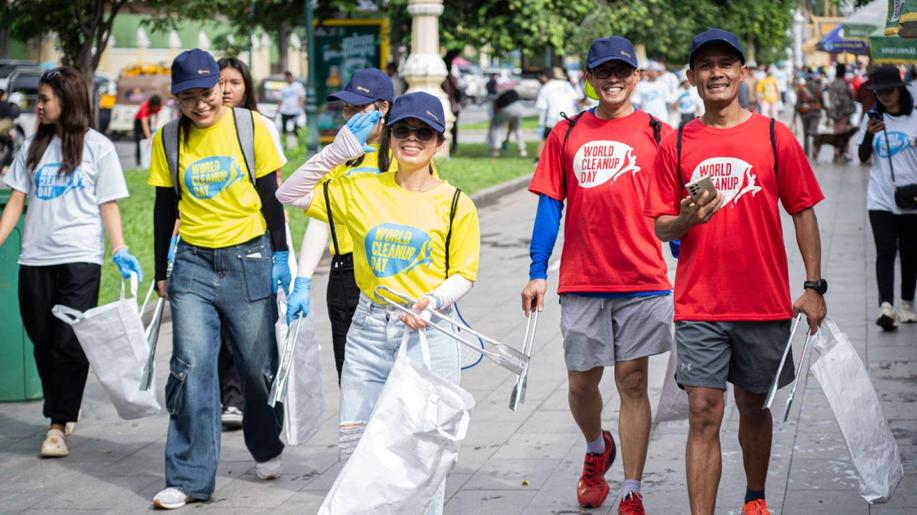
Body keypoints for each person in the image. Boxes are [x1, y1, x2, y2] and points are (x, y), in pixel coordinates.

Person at [644, 29, 827, 515]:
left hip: (763, 303)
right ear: (691, 78)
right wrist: (688, 218)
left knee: (753, 406)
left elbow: (803, 210)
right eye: (706, 66)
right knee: (703, 412)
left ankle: (755, 497)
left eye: (726, 64)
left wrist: (812, 287)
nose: (716, 73)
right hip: (699, 305)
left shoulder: (774, 135)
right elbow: (662, 226)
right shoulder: (678, 141)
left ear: (743, 73)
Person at [276, 92, 480, 515]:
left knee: (424, 452)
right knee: (356, 448)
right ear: (388, 136)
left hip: (430, 333)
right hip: (369, 331)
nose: (411, 138)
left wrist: (432, 300)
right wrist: (337, 152)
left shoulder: (457, 203)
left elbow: (464, 273)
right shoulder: (358, 188)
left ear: (438, 142)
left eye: (423, 131)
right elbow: (290, 193)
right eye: (402, 129)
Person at [521, 36, 673, 514]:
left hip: (643, 279)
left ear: (636, 77)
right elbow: (550, 207)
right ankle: (595, 448)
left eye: (622, 72)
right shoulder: (565, 134)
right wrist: (536, 271)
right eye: (602, 71)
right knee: (580, 385)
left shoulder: (659, 133)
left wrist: (687, 261)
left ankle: (631, 488)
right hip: (583, 280)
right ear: (588, 77)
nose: (613, 80)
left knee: (632, 382)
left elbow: (673, 211)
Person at [148, 49, 288, 510]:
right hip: (191, 263)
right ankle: (189, 477)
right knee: (190, 366)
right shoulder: (168, 138)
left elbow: (271, 198)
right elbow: (164, 206)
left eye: (207, 93)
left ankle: (266, 444)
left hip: (249, 255)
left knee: (256, 365)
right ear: (176, 99)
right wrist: (159, 270)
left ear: (221, 89)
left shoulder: (252, 128)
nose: (200, 105)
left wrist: (282, 257)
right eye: (187, 98)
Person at [0, 66, 142, 458]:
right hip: (35, 258)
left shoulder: (98, 147)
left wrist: (119, 249)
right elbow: (16, 202)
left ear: (67, 101)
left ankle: (58, 423)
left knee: (68, 341)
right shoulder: (32, 147)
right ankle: (61, 405)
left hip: (80, 258)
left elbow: (107, 204)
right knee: (41, 340)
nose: (38, 106)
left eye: (44, 99)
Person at [282, 67, 395, 381]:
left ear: (383, 108)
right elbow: (320, 216)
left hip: (393, 275)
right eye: (347, 109)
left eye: (358, 109)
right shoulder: (339, 158)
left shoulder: (404, 157)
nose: (350, 117)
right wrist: (302, 281)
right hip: (346, 277)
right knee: (352, 380)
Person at [213, 56, 286, 429]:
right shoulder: (194, 130)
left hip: (253, 244)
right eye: (221, 81)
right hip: (205, 247)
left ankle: (256, 401)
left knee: (253, 334)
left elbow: (275, 186)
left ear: (247, 88)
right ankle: (230, 397)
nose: (226, 90)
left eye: (235, 83)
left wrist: (281, 248)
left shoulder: (259, 127)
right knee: (219, 329)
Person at [856, 65, 917, 330]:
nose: (884, 96)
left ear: (900, 89)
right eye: (879, 92)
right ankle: (886, 307)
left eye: (889, 90)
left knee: (911, 253)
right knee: (885, 250)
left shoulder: (914, 117)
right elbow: (862, 157)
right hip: (880, 197)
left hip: (912, 197)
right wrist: (870, 133)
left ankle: (906, 305)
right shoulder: (871, 119)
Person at [535, 67, 581, 162]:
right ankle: (570, 159)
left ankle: (538, 159)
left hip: (552, 119)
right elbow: (576, 98)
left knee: (544, 139)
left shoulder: (545, 88)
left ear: (544, 77)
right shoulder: (566, 84)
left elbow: (542, 108)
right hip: (569, 117)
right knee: (569, 140)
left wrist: (540, 124)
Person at [828, 63, 856, 162]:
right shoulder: (845, 84)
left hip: (834, 111)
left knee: (836, 132)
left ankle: (836, 153)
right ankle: (843, 153)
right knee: (843, 132)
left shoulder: (833, 83)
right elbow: (850, 97)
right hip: (844, 111)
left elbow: (830, 97)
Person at [488, 86, 527, 157]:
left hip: (505, 110)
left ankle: (495, 149)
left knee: (496, 128)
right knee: (517, 129)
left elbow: (495, 108)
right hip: (520, 109)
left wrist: (496, 118)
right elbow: (511, 125)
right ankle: (522, 150)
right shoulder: (513, 93)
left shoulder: (498, 95)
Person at [793, 76, 823, 158]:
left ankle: (806, 152)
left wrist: (794, 116)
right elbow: (822, 102)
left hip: (805, 113)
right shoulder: (818, 88)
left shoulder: (801, 89)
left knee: (806, 133)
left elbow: (797, 104)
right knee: (814, 132)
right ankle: (815, 152)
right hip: (816, 112)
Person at [443, 50, 463, 154]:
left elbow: (457, 93)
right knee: (452, 128)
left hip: (452, 106)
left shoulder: (450, 78)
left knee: (453, 128)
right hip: (451, 106)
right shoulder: (448, 78)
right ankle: (451, 147)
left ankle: (453, 147)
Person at [134, 94, 162, 166]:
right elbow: (144, 123)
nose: (156, 108)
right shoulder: (145, 107)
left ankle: (149, 160)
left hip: (147, 120)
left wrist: (155, 126)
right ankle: (139, 162)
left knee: (149, 141)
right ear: (152, 105)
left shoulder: (159, 105)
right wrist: (149, 138)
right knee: (139, 141)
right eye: (155, 107)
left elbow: (156, 114)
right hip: (138, 121)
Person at [279, 70, 305, 139]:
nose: (287, 79)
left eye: (288, 77)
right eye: (286, 77)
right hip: (285, 110)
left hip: (295, 110)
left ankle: (297, 141)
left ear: (291, 77)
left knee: (296, 128)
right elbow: (280, 100)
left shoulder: (298, 86)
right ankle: (284, 141)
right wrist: (278, 110)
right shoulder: (283, 88)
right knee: (284, 128)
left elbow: (301, 98)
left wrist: (302, 109)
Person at [0, 87, 20, 173]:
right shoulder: (6, 105)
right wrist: (13, 130)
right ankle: (5, 167)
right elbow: (10, 119)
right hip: (5, 132)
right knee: (10, 147)